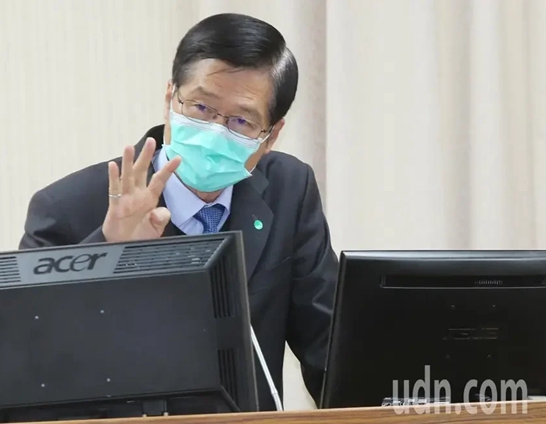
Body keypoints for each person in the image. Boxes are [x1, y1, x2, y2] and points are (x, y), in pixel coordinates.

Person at [20, 13, 338, 412]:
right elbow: (31, 364)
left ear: (271, 135)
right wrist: (108, 251)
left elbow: (332, 351)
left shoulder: (288, 189)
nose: (215, 131)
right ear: (170, 97)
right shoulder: (68, 208)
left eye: (241, 121)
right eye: (201, 107)